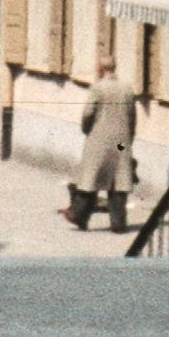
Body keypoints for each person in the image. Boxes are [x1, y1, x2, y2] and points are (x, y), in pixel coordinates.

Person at [63, 61, 139, 230]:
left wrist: (86, 128)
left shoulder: (97, 88)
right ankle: (118, 223)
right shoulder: (127, 88)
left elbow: (88, 112)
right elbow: (133, 117)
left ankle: (78, 214)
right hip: (120, 142)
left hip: (100, 140)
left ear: (100, 68)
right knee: (119, 181)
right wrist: (129, 139)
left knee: (91, 177)